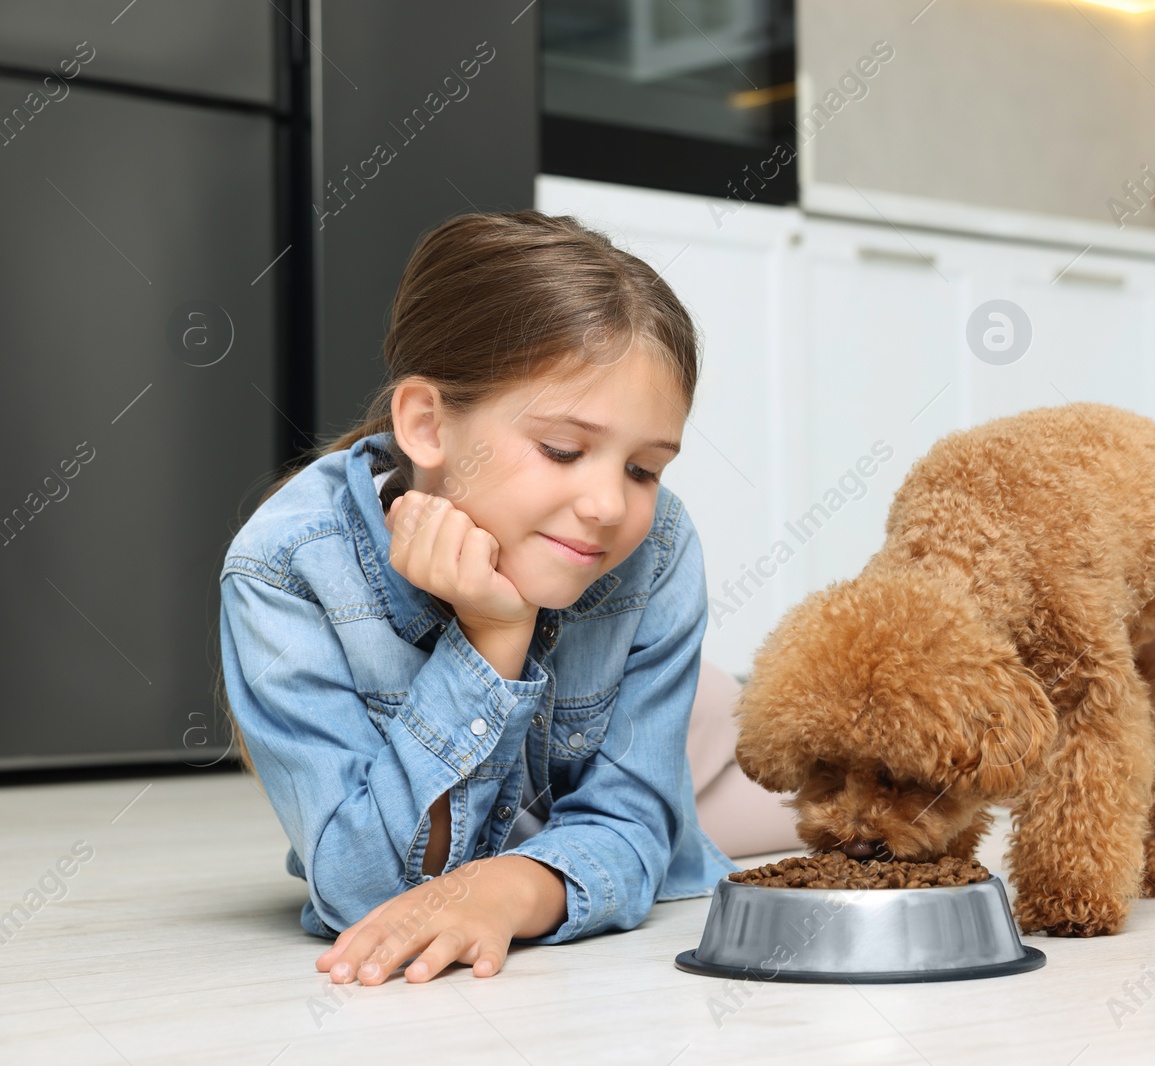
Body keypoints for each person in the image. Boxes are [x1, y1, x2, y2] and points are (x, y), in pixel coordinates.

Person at [215, 209, 800, 988]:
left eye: (643, 469)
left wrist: (511, 887)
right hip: (575, 780)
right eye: (563, 450)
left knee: (865, 805)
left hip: (695, 736)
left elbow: (631, 823)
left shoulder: (654, 546)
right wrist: (492, 636)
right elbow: (364, 885)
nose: (607, 506)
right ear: (426, 425)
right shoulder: (283, 570)